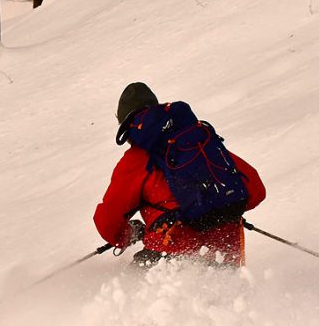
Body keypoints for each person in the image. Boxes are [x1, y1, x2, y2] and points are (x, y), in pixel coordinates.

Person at [93, 82, 266, 267]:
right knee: (228, 292)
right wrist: (218, 207)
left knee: (127, 289)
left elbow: (108, 221)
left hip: (172, 253)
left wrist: (128, 234)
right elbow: (256, 190)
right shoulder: (199, 143)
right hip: (225, 254)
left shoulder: (137, 158)